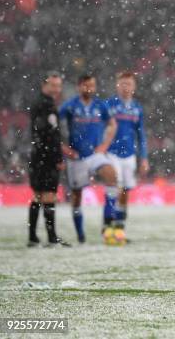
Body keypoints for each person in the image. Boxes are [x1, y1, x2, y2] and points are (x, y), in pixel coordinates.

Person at [59, 74, 120, 243]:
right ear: (79, 86)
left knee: (111, 175)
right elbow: (53, 126)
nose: (90, 89)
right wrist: (64, 148)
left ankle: (107, 227)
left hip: (95, 154)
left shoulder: (100, 105)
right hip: (77, 157)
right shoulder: (70, 106)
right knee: (76, 197)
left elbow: (113, 124)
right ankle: (80, 235)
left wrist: (105, 144)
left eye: (92, 85)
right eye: (86, 85)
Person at [27, 71, 70, 247]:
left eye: (58, 85)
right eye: (53, 85)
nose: (56, 89)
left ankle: (33, 238)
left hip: (38, 155)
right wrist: (57, 157)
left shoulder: (41, 103)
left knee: (38, 196)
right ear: (44, 85)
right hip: (45, 157)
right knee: (48, 196)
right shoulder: (45, 105)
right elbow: (49, 135)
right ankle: (51, 238)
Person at [106, 71, 148, 231]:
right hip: (112, 152)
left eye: (129, 84)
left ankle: (119, 227)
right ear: (117, 85)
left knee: (125, 191)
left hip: (129, 154)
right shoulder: (109, 104)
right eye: (123, 84)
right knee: (113, 188)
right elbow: (101, 127)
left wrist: (143, 157)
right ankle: (107, 225)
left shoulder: (137, 108)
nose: (126, 87)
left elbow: (141, 134)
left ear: (134, 87)